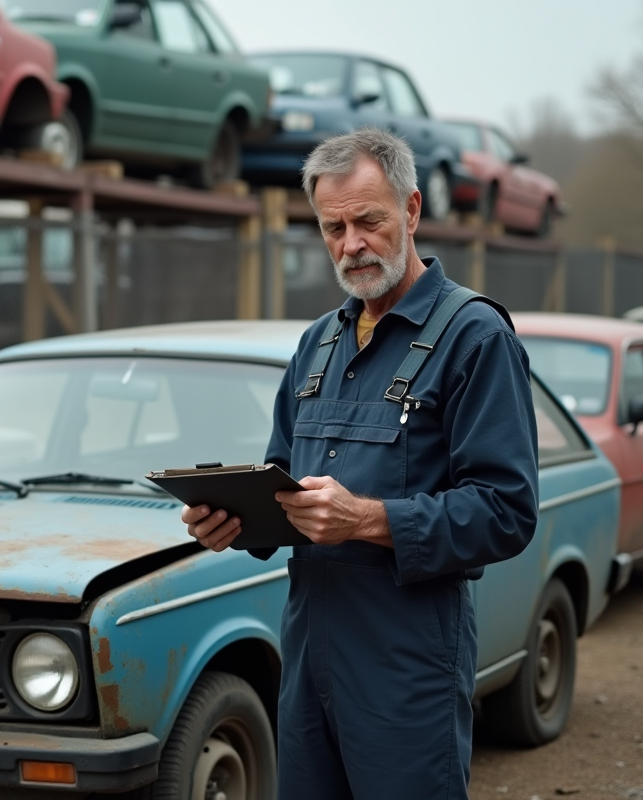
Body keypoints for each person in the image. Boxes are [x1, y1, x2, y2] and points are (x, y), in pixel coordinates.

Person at [182, 128, 539, 799]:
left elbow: (506, 512)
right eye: (332, 227)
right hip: (309, 661)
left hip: (408, 672)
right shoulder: (318, 343)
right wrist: (235, 522)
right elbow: (282, 484)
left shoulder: (475, 338)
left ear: (409, 210)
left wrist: (368, 520)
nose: (351, 245)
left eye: (368, 221)